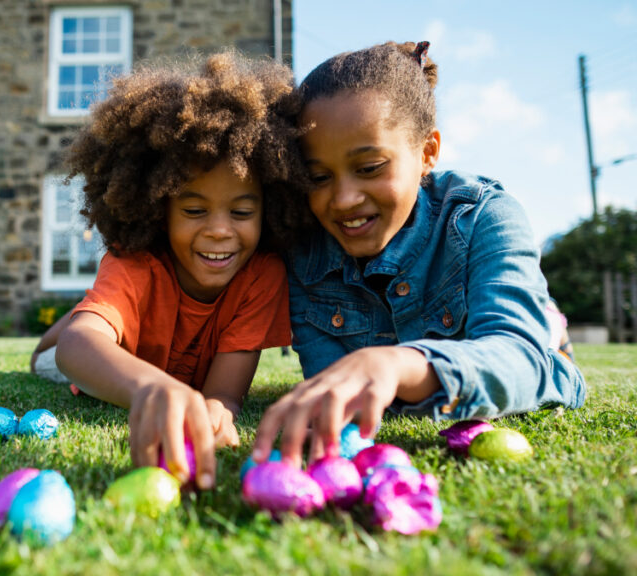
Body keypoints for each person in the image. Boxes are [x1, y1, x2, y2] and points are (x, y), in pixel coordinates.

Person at [251, 41, 587, 468]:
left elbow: (528, 365)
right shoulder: (304, 253)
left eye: (370, 168)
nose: (344, 199)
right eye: (318, 177)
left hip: (511, 342)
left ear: (427, 153)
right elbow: (334, 390)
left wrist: (403, 364)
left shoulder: (486, 217)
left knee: (532, 335)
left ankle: (545, 318)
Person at [31, 51, 311, 490]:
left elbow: (224, 393)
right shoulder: (136, 261)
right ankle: (91, 313)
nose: (220, 231)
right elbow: (75, 350)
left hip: (150, 347)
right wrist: (147, 387)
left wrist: (218, 410)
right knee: (51, 353)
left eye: (241, 211)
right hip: (102, 361)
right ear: (158, 209)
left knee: (98, 318)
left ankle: (100, 311)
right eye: (195, 209)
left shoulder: (262, 275)